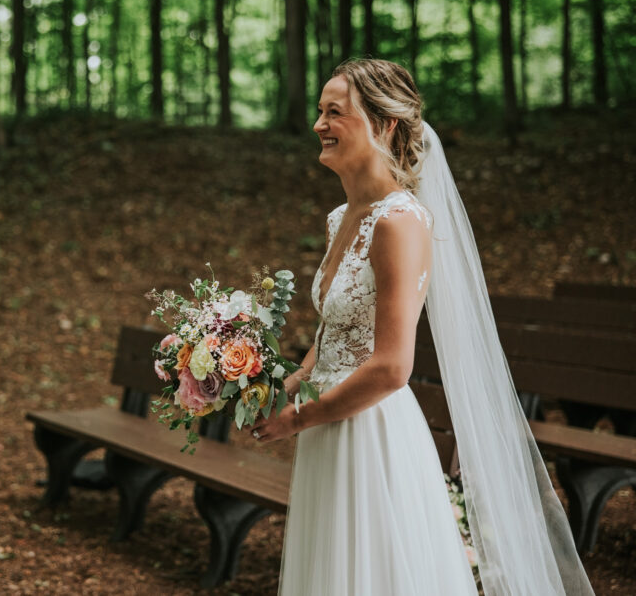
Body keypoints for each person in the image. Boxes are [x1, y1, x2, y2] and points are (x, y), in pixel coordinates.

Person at [251, 59, 592, 595]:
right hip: (326, 424)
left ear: (386, 125)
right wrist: (288, 382)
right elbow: (335, 331)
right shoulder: (341, 218)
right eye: (319, 111)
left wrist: (299, 419)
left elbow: (391, 367)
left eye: (334, 112)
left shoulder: (400, 222)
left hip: (369, 430)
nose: (318, 124)